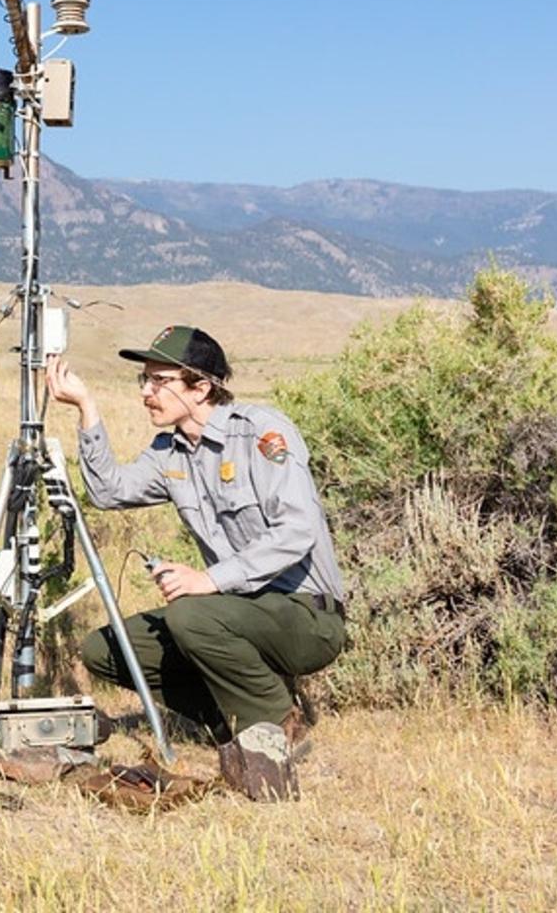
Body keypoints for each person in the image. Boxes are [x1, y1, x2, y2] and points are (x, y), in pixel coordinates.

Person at [45, 325, 346, 801]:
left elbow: (297, 532)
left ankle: (276, 721)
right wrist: (86, 410)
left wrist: (209, 579)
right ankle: (229, 719)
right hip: (236, 610)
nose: (146, 393)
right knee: (107, 649)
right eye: (143, 380)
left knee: (189, 614)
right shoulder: (170, 452)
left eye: (159, 381)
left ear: (201, 387)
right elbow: (109, 491)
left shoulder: (262, 434)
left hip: (305, 613)